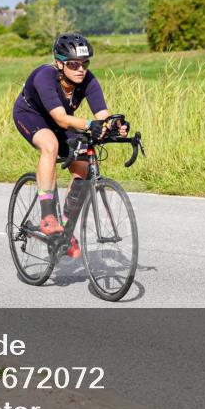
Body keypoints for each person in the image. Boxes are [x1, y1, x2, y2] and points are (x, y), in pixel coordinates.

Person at [12, 33, 128, 258]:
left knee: (83, 163)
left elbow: (102, 114)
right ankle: (47, 216)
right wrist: (89, 124)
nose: (80, 69)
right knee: (50, 145)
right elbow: (61, 119)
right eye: (73, 64)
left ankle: (65, 230)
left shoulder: (88, 80)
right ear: (59, 63)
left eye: (84, 63)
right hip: (31, 115)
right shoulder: (44, 76)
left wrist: (114, 125)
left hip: (61, 118)